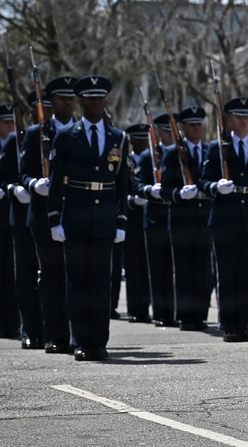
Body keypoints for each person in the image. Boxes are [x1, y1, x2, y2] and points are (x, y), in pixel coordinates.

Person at [47, 75, 130, 361]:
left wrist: (121, 220)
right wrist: (54, 218)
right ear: (81, 101)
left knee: (101, 283)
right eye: (90, 98)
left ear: (105, 101)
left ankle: (100, 341)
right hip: (76, 216)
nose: (96, 102)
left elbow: (122, 184)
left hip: (105, 217)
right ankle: (82, 339)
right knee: (78, 283)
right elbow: (56, 181)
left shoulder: (119, 138)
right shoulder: (67, 136)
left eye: (100, 98)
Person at [20, 76, 76, 354]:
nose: (67, 102)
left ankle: (79, 334)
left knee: (78, 275)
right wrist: (34, 185)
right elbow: (24, 173)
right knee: (52, 275)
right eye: (61, 98)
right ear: (50, 102)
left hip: (77, 212)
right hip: (43, 214)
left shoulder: (83, 131)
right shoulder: (36, 133)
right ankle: (55, 335)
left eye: (71, 97)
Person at [202, 96, 248, 342]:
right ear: (229, 120)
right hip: (225, 217)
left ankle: (243, 325)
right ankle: (228, 325)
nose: (244, 121)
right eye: (239, 117)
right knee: (226, 274)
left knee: (246, 274)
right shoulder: (218, 147)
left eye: (247, 116)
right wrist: (216, 186)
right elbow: (204, 182)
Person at [155, 105, 212, 332]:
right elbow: (165, 190)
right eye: (192, 125)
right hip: (181, 219)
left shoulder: (210, 151)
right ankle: (186, 316)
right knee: (184, 271)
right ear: (183, 128)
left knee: (203, 271)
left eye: (199, 124)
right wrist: (179, 194)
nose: (196, 128)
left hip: (204, 218)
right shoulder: (172, 154)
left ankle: (200, 314)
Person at [2, 95, 43, 348]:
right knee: (25, 275)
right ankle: (29, 328)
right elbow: (4, 178)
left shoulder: (54, 139)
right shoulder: (14, 142)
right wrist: (13, 189)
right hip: (19, 216)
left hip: (45, 217)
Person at [136, 113, 177, 327]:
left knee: (177, 268)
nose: (170, 134)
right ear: (158, 132)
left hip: (177, 214)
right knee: (159, 268)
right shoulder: (146, 156)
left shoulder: (180, 153)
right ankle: (162, 312)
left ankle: (180, 311)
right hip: (155, 216)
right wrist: (149, 190)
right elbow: (137, 185)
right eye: (167, 130)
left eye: (173, 130)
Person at [121, 124, 152, 323]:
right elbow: (118, 191)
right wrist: (132, 201)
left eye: (144, 139)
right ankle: (134, 308)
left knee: (147, 266)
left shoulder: (151, 160)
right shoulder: (126, 161)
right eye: (138, 140)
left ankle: (145, 307)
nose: (142, 143)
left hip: (148, 217)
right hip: (131, 218)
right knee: (133, 266)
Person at [0, 104, 21, 338]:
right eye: (6, 123)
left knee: (11, 272)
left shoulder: (17, 145)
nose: (11, 127)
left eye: (13, 122)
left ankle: (11, 322)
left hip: (10, 216)